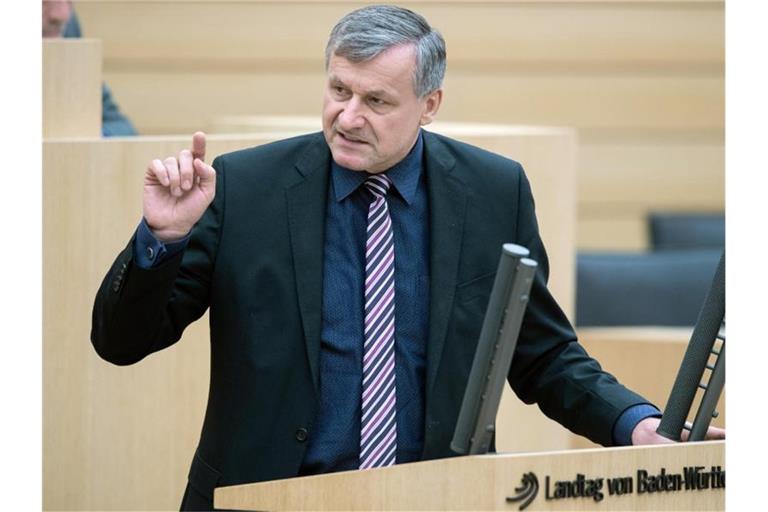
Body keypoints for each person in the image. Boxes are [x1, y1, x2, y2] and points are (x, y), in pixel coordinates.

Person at [90, 5, 723, 510]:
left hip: (436, 499)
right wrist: (162, 240)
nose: (348, 116)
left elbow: (542, 353)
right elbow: (121, 341)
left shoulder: (493, 191)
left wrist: (635, 424)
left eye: (377, 101)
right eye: (339, 89)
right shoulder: (247, 187)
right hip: (266, 497)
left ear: (430, 104)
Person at [43, 0, 138, 137]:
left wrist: (82, 137)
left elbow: (122, 127)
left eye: (69, 1)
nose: (62, 14)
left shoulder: (68, 31)